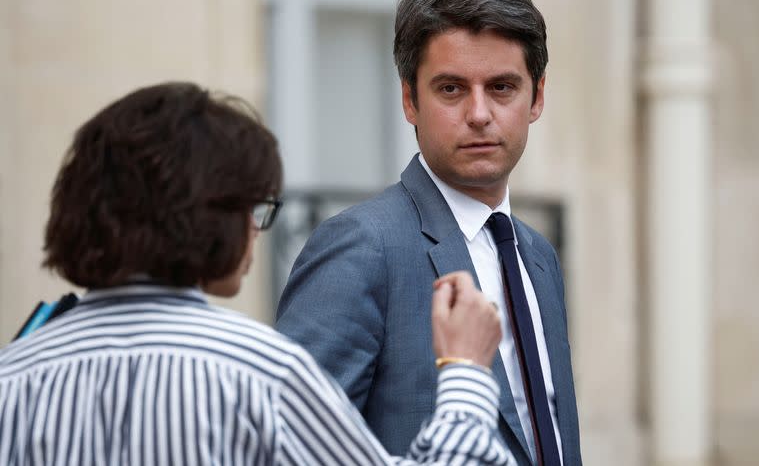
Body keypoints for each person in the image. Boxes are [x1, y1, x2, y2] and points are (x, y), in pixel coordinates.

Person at [0, 81, 516, 465]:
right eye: (256, 208)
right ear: (212, 216)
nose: (257, 229)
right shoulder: (262, 374)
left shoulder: (14, 377)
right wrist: (467, 370)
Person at [276, 0, 582, 466]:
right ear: (409, 100)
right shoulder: (361, 246)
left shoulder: (538, 255)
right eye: (451, 89)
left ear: (538, 97)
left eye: (502, 87)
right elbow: (289, 448)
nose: (479, 113)